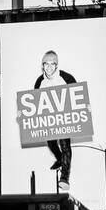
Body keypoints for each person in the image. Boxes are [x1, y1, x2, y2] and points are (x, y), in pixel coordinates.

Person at [34, 51, 76, 192]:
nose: (49, 67)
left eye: (52, 64)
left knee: (65, 145)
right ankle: (59, 159)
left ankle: (64, 178)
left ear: (56, 65)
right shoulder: (40, 81)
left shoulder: (67, 78)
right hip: (49, 119)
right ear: (43, 65)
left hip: (64, 117)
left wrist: (85, 106)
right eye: (46, 64)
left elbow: (77, 94)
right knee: (51, 143)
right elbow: (34, 101)